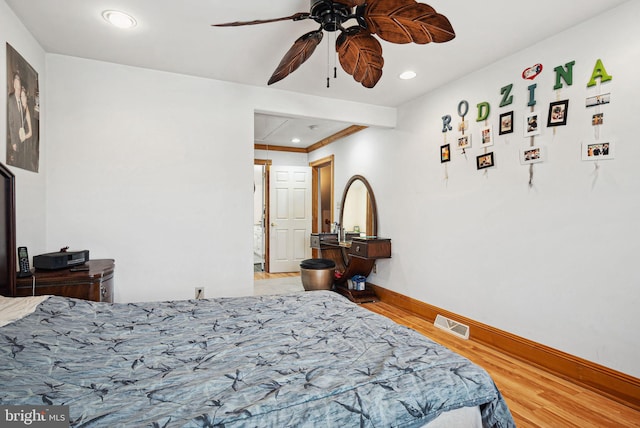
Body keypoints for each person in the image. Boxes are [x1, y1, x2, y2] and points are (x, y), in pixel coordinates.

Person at [7, 71, 25, 167]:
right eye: (16, 83)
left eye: (19, 82)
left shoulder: (22, 99)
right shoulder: (10, 100)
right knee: (17, 164)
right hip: (16, 140)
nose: (18, 88)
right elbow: (10, 122)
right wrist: (13, 141)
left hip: (23, 139)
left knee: (23, 162)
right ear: (14, 85)